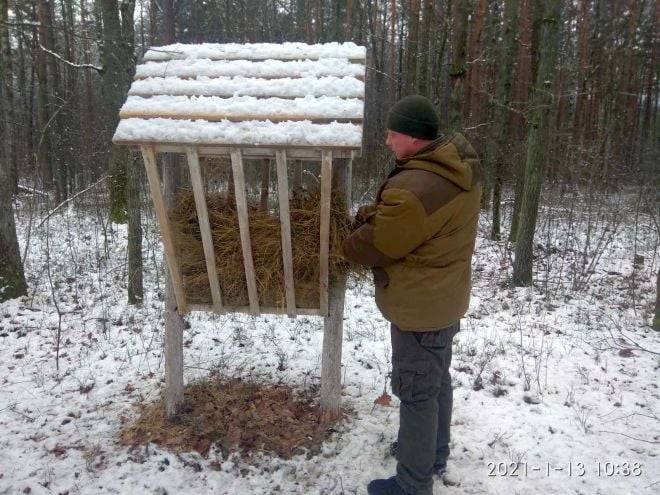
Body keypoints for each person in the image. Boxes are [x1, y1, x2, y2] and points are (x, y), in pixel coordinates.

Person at [342, 95, 481, 495]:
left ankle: (413, 483)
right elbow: (411, 223)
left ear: (414, 137)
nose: (386, 140)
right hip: (443, 299)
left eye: (391, 133)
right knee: (435, 382)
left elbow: (380, 243)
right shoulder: (452, 169)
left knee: (417, 391)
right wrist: (378, 214)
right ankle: (432, 454)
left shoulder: (417, 185)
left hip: (419, 307)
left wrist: (345, 242)